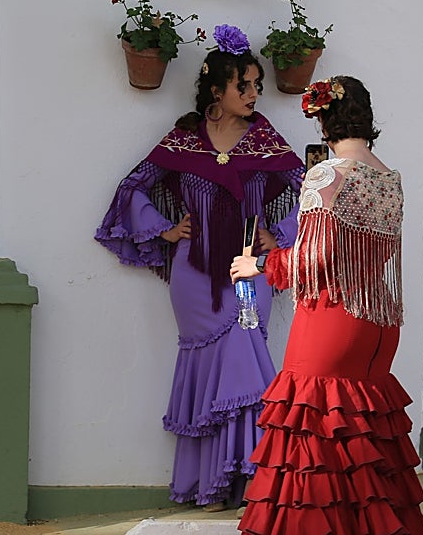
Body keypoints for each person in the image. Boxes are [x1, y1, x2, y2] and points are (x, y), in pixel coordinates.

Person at [95, 25, 304, 511]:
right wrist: (166, 230)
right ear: (217, 89)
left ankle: (254, 482)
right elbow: (133, 189)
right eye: (244, 85)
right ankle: (210, 486)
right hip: (192, 280)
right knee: (210, 373)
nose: (254, 94)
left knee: (248, 356)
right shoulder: (184, 138)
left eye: (257, 85)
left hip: (250, 274)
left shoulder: (265, 138)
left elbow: (313, 188)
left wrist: (282, 235)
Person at [229, 76, 423, 534]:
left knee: (312, 425)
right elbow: (369, 255)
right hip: (376, 320)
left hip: (333, 316)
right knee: (362, 431)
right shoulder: (388, 178)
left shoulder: (327, 173)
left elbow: (315, 258)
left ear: (323, 121)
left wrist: (257, 265)